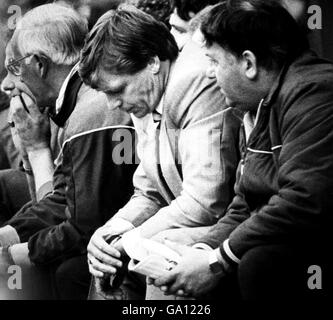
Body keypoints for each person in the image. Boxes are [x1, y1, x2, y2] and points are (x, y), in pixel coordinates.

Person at [150, 0, 333, 300]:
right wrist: (201, 251)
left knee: (259, 263)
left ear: (248, 63)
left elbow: (305, 198)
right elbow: (244, 203)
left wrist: (217, 261)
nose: (209, 74)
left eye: (214, 61)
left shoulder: (314, 92)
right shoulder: (257, 105)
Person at [79, 4, 241, 300]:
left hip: (231, 228)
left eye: (116, 90)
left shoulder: (190, 81)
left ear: (153, 62)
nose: (112, 105)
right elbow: (149, 191)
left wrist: (129, 243)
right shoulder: (148, 89)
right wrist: (111, 232)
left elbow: (206, 201)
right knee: (108, 259)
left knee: (156, 253)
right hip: (196, 223)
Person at [0, 4, 136, 300]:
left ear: (39, 64)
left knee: (60, 269)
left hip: (125, 236)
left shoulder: (91, 111)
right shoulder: (72, 104)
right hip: (109, 227)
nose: (6, 83)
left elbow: (84, 223)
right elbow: (61, 199)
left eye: (14, 68)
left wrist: (16, 253)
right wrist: (7, 237)